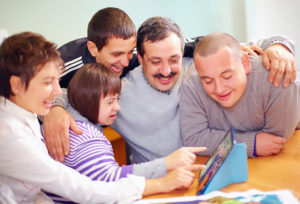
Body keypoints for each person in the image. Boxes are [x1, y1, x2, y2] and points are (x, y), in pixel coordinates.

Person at [43, 7, 297, 162]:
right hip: (166, 183)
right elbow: (71, 95)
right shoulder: (118, 91)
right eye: (155, 62)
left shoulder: (198, 66)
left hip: (223, 166)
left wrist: (280, 47)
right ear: (139, 58)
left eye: (173, 59)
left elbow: (244, 47)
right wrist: (55, 108)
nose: (166, 71)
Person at [0, 32, 200, 204]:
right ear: (16, 85)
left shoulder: (26, 111)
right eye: (47, 82)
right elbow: (83, 189)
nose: (56, 92)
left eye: (56, 80)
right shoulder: (11, 137)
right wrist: (162, 182)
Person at [43, 63, 205, 203]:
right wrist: (166, 166)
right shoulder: (84, 137)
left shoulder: (75, 122)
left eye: (117, 100)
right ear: (88, 100)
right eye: (110, 102)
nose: (117, 107)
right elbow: (111, 180)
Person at [179, 32, 300, 157]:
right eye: (208, 81)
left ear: (245, 64)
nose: (219, 89)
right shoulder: (191, 82)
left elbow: (274, 141)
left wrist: (280, 45)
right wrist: (249, 143)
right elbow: (194, 139)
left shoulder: (276, 76)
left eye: (227, 76)